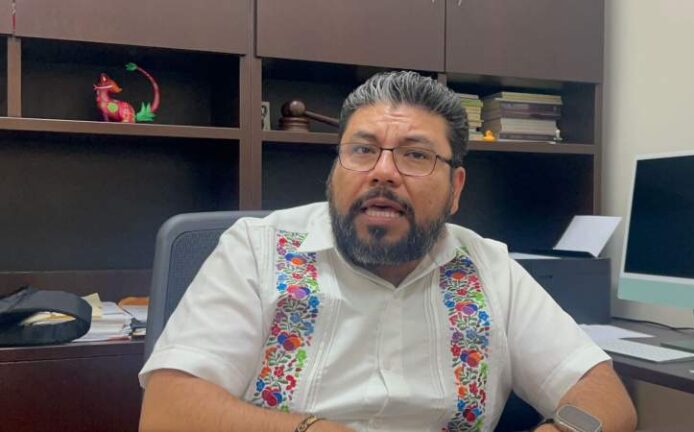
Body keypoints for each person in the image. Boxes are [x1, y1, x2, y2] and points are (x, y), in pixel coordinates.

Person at [139, 71, 637, 432]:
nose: (383, 172)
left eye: (415, 155)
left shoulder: (490, 268)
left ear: (456, 188)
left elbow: (604, 395)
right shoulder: (256, 249)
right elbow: (168, 412)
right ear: (335, 171)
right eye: (362, 150)